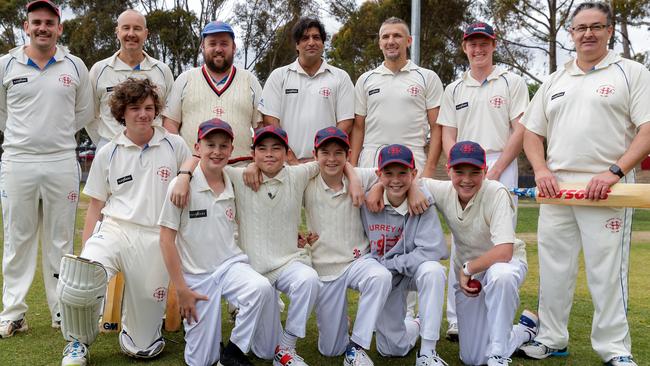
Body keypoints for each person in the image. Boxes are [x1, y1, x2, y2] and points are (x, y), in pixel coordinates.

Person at [518, 2, 650, 365]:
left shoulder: (631, 73)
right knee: (554, 269)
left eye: (596, 26)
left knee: (606, 273)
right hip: (557, 190)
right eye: (580, 28)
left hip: (608, 188)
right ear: (571, 34)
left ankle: (615, 350)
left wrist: (613, 172)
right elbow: (531, 132)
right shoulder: (555, 79)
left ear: (609, 30)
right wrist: (541, 170)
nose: (588, 33)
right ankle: (551, 338)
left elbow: (647, 130)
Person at [55, 78, 191, 365]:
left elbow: (195, 160)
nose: (143, 114)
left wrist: (186, 174)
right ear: (122, 112)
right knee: (80, 280)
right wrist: (86, 254)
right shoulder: (108, 152)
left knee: (142, 348)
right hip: (115, 230)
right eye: (135, 108)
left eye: (149, 108)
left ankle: (136, 332)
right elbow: (95, 207)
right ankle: (77, 344)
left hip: (156, 237)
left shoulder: (174, 144)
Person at [0, 0, 93, 338]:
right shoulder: (6, 65)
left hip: (60, 161)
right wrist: (26, 138)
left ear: (59, 28)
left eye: (49, 22)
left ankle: (60, 311)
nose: (42, 27)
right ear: (26, 26)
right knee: (17, 239)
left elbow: (83, 112)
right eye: (36, 22)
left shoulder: (75, 66)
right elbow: (3, 113)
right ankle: (13, 313)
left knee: (60, 241)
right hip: (17, 161)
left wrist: (53, 137)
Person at [158, 119, 280, 366]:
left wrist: (255, 166)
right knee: (200, 362)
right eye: (210, 144)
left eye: (223, 146)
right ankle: (213, 344)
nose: (217, 151)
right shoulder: (182, 185)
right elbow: (166, 240)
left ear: (231, 150)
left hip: (230, 266)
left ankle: (234, 351)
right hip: (197, 278)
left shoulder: (233, 179)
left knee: (260, 287)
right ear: (197, 147)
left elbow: (256, 170)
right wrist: (181, 290)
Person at [436, 21, 529, 340]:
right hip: (463, 165)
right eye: (472, 43)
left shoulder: (511, 82)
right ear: (464, 47)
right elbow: (448, 133)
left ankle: (496, 313)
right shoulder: (454, 88)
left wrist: (496, 169)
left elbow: (520, 129)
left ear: (493, 44)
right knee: (461, 237)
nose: (478, 49)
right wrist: (455, 168)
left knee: (499, 238)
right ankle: (457, 318)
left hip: (499, 163)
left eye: (484, 43)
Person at [421, 141, 537, 366]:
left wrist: (467, 268)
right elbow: (403, 180)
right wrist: (381, 187)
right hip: (471, 279)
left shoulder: (496, 192)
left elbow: (504, 251)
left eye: (475, 172)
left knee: (500, 275)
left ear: (485, 171)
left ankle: (498, 356)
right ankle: (523, 331)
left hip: (504, 264)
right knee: (473, 358)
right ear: (448, 171)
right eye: (459, 171)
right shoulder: (442, 190)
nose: (466, 179)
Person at [304, 127, 392, 366]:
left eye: (338, 153)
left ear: (348, 154)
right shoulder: (306, 179)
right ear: (315, 154)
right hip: (325, 268)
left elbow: (391, 175)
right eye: (325, 152)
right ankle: (342, 327)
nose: (332, 159)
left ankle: (357, 347)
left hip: (358, 260)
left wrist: (373, 186)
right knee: (330, 350)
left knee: (380, 277)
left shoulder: (361, 176)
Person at [361, 144, 449, 366]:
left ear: (414, 174)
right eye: (388, 173)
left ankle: (428, 352)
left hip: (408, 271)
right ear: (378, 174)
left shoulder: (422, 202)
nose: (396, 180)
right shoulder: (368, 201)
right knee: (391, 349)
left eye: (402, 173)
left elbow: (434, 250)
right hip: (385, 277)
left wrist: (393, 263)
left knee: (434, 271)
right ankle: (417, 324)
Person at [351, 17, 443, 178]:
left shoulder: (428, 77)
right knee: (370, 204)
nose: (391, 41)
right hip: (372, 160)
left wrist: (429, 170)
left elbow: (436, 127)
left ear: (408, 41)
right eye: (385, 37)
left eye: (397, 36)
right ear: (380, 43)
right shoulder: (365, 80)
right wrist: (351, 168)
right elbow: (358, 128)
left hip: (413, 159)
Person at [162, 21, 263, 165]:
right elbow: (170, 124)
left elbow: (260, 128)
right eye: (212, 43)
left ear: (233, 47)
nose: (218, 49)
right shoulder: (185, 79)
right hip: (194, 170)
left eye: (224, 43)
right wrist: (181, 163)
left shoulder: (250, 80)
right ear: (203, 46)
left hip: (241, 170)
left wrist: (256, 164)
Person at [259, 17, 355, 164]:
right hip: (286, 165)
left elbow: (346, 122)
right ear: (297, 45)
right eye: (305, 38)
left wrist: (323, 156)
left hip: (326, 165)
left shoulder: (340, 77)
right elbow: (270, 120)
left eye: (316, 37)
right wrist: (289, 156)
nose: (311, 42)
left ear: (323, 44)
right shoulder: (279, 76)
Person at [87, 9, 174, 150]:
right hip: (111, 146)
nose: (131, 34)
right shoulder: (99, 69)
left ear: (146, 34)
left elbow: (170, 114)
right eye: (126, 28)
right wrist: (105, 144)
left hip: (154, 148)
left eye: (137, 29)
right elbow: (90, 115)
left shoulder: (162, 70)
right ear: (117, 32)